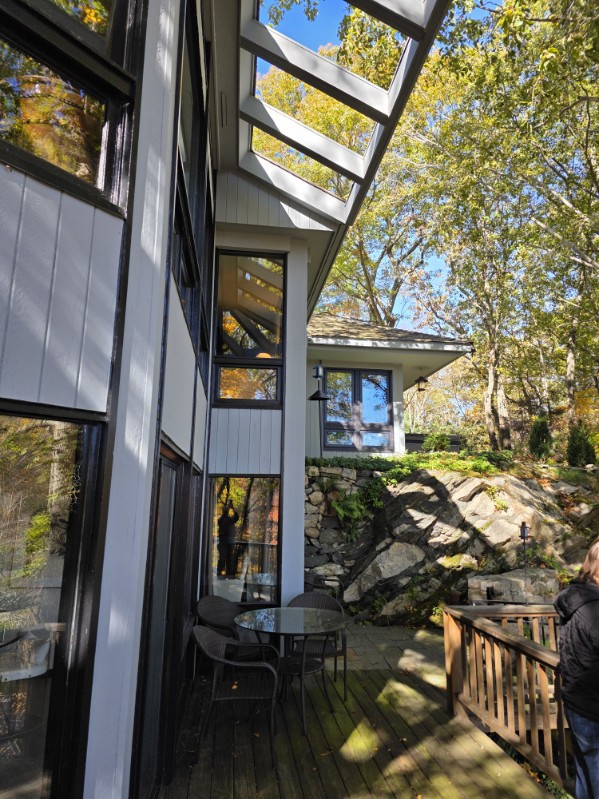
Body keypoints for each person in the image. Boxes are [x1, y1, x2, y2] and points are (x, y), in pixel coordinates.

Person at [554, 540, 599, 799]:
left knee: (586, 772)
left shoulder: (575, 599)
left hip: (576, 701)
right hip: (592, 706)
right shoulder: (594, 608)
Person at [216, 500, 239, 578]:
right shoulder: (221, 519)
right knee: (222, 557)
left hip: (230, 541)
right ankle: (219, 572)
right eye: (224, 510)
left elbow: (237, 516)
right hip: (223, 541)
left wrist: (232, 508)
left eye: (225, 510)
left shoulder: (230, 519)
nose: (225, 511)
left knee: (229, 557)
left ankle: (229, 573)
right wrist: (227, 509)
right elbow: (221, 521)